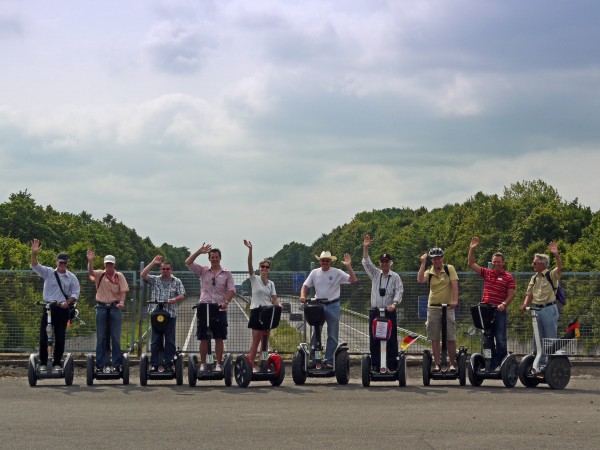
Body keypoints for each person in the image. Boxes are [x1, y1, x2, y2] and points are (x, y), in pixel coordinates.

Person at [300, 250, 357, 369]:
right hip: (318, 305)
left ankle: (329, 359)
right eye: (323, 260)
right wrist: (303, 296)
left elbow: (353, 280)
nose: (325, 262)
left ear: (331, 261)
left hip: (333, 305)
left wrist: (348, 266)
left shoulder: (337, 272)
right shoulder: (314, 272)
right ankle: (315, 359)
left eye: (327, 260)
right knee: (316, 332)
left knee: (332, 334)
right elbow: (305, 285)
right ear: (320, 261)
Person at [30, 239, 80, 371]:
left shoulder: (72, 277)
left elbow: (75, 294)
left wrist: (67, 302)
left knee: (60, 337)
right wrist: (33, 252)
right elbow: (35, 265)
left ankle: (57, 362)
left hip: (62, 309)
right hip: (49, 308)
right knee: (44, 337)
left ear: (67, 263)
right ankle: (43, 363)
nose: (63, 264)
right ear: (56, 262)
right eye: (60, 262)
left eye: (65, 262)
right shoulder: (48, 272)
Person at [467, 237, 516, 371]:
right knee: (487, 339)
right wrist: (472, 249)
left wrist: (504, 304)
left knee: (500, 339)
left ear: (503, 262)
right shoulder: (487, 273)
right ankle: (489, 364)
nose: (497, 264)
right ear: (492, 263)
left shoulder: (508, 277)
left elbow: (511, 294)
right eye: (494, 262)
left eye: (499, 262)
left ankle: (501, 364)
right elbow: (471, 263)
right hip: (486, 311)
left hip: (499, 310)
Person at [185, 244, 236, 372]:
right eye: (212, 257)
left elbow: (232, 289)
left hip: (219, 308)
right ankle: (203, 363)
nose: (214, 259)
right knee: (203, 337)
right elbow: (188, 263)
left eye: (216, 257)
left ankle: (218, 363)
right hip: (204, 307)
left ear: (220, 258)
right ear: (209, 258)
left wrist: (226, 302)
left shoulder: (227, 273)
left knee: (219, 337)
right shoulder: (203, 270)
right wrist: (199, 252)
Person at [362, 235, 403, 372]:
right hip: (375, 311)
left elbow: (399, 292)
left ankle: (391, 365)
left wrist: (394, 304)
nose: (384, 264)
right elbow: (367, 262)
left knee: (391, 339)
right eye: (382, 262)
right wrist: (366, 247)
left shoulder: (395, 276)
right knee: (374, 339)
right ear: (380, 263)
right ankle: (375, 364)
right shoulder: (375, 275)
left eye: (387, 261)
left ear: (391, 263)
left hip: (389, 311)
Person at [519, 242, 563, 366]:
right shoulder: (534, 278)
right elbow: (529, 294)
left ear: (542, 264)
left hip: (549, 309)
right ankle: (538, 363)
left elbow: (559, 268)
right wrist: (524, 305)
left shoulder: (551, 275)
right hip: (536, 310)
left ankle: (551, 364)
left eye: (535, 263)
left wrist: (556, 255)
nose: (533, 265)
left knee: (550, 338)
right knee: (538, 338)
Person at [87, 250, 130, 372]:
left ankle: (116, 363)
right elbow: (90, 271)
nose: (109, 266)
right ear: (104, 265)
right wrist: (90, 260)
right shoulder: (100, 274)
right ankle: (100, 365)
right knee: (101, 337)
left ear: (114, 265)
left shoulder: (119, 276)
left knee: (115, 337)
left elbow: (123, 291)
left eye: (111, 264)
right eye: (107, 264)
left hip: (114, 307)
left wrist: (121, 302)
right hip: (101, 307)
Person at [417, 247, 459, 372]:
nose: (437, 261)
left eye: (439, 258)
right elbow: (420, 280)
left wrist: (455, 301)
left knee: (450, 336)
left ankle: (452, 363)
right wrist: (422, 264)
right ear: (431, 260)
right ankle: (437, 363)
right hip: (433, 307)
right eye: (434, 259)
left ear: (442, 258)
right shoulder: (429, 272)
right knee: (435, 337)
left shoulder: (449, 269)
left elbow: (455, 285)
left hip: (448, 307)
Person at [141, 256, 186, 371]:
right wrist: (153, 262)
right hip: (156, 313)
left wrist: (175, 299)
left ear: (171, 269)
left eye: (167, 269)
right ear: (160, 270)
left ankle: (168, 362)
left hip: (170, 314)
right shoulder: (155, 279)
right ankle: (155, 364)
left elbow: (182, 294)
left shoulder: (176, 281)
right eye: (163, 269)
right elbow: (143, 275)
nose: (165, 271)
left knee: (170, 339)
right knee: (155, 339)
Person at [243, 240, 281, 370]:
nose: (264, 268)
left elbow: (274, 298)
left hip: (267, 312)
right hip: (256, 311)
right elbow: (249, 265)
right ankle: (251, 364)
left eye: (266, 267)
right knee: (256, 339)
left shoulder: (271, 284)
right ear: (260, 268)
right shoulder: (255, 279)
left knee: (265, 340)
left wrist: (278, 306)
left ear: (269, 269)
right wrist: (250, 250)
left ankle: (263, 364)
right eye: (262, 267)